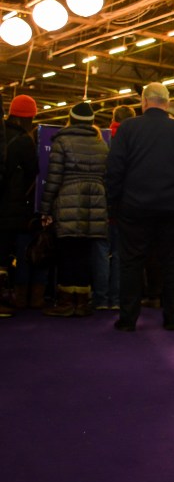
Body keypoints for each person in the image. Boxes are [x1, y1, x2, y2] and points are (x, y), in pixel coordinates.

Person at [106, 84, 174, 331]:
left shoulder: (128, 128)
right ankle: (172, 318)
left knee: (131, 263)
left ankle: (128, 319)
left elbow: (115, 169)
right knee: (173, 263)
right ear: (167, 103)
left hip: (134, 207)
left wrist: (113, 204)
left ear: (143, 102)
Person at [39, 102, 108, 316]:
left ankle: (67, 303)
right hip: (96, 201)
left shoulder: (62, 141)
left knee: (68, 251)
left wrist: (45, 209)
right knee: (86, 252)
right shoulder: (102, 144)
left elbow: (53, 178)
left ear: (71, 119)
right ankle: (82, 303)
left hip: (69, 198)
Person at [0, 95, 48, 315]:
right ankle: (19, 298)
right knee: (20, 252)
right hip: (15, 208)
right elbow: (34, 173)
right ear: (28, 118)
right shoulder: (24, 142)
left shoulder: (3, 134)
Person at [92, 105, 136, 313]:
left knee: (101, 250)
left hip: (103, 202)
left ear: (113, 118)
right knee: (121, 254)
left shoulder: (101, 140)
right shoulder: (137, 140)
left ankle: (100, 298)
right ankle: (117, 299)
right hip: (128, 205)